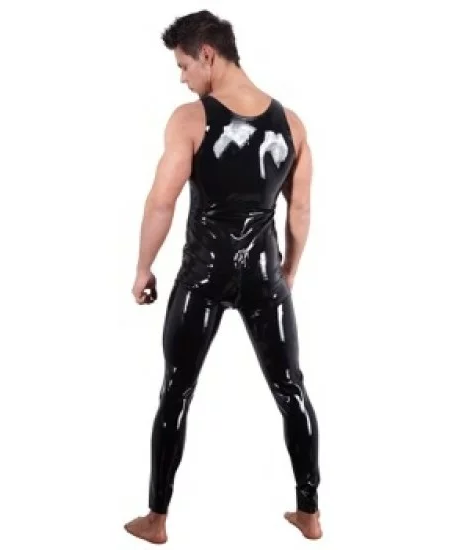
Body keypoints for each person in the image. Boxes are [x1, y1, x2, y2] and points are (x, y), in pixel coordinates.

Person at [125, 10, 322, 544]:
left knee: (177, 390)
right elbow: (300, 210)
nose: (182, 77)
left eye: (184, 65)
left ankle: (156, 519)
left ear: (207, 55)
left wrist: (143, 269)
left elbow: (161, 202)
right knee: (291, 388)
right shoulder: (292, 124)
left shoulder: (190, 119)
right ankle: (310, 513)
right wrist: (287, 271)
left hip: (203, 278)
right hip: (264, 278)